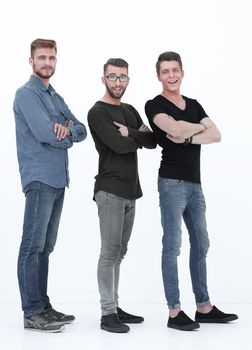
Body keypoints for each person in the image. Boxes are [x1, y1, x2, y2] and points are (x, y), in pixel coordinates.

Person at [145, 51, 238, 331]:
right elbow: (172, 127)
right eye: (165, 71)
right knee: (172, 245)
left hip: (195, 184)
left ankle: (204, 307)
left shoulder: (195, 104)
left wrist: (188, 132)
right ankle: (174, 312)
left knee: (201, 242)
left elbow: (217, 135)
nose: (171, 76)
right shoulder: (154, 104)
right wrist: (195, 129)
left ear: (182, 73)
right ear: (159, 76)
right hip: (171, 182)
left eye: (175, 70)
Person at [13, 38, 87, 333]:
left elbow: (81, 128)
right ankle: (31, 312)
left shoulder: (55, 97)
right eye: (41, 57)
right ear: (31, 61)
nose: (47, 62)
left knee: (46, 247)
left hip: (58, 180)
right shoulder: (26, 95)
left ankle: (43, 305)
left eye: (51, 58)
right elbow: (46, 133)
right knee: (32, 246)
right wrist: (63, 131)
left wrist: (68, 130)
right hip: (39, 177)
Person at [88, 58, 157, 333]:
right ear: (103, 79)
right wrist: (134, 138)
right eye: (113, 77)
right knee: (109, 252)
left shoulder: (129, 110)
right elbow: (117, 145)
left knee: (121, 251)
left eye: (123, 77)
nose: (118, 82)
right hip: (110, 190)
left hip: (131, 190)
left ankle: (114, 305)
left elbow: (152, 141)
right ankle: (107, 314)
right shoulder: (98, 112)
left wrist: (131, 133)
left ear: (128, 80)